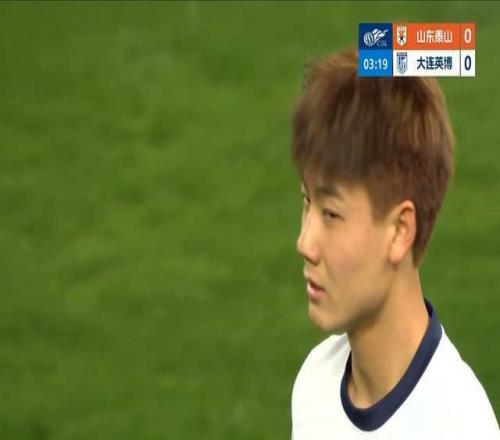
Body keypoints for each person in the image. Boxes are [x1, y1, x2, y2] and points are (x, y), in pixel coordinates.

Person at [289, 48, 499, 439]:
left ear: (400, 230)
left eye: (331, 214)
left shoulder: (460, 428)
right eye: (307, 202)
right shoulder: (314, 385)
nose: (305, 242)